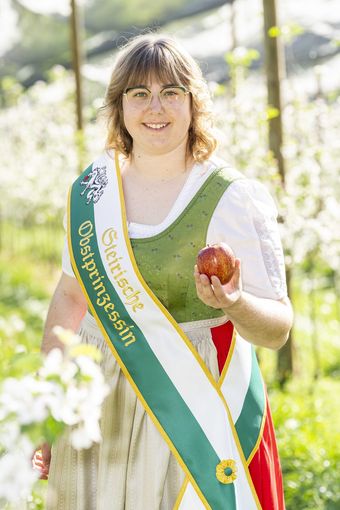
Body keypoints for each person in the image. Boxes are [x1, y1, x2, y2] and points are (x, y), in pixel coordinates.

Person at [40, 33, 293, 510]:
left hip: (192, 406)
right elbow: (71, 300)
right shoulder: (92, 193)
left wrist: (235, 304)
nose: (155, 107)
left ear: (193, 103)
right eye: (139, 94)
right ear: (120, 106)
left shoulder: (232, 197)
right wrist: (51, 406)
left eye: (171, 92)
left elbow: (278, 330)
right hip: (101, 408)